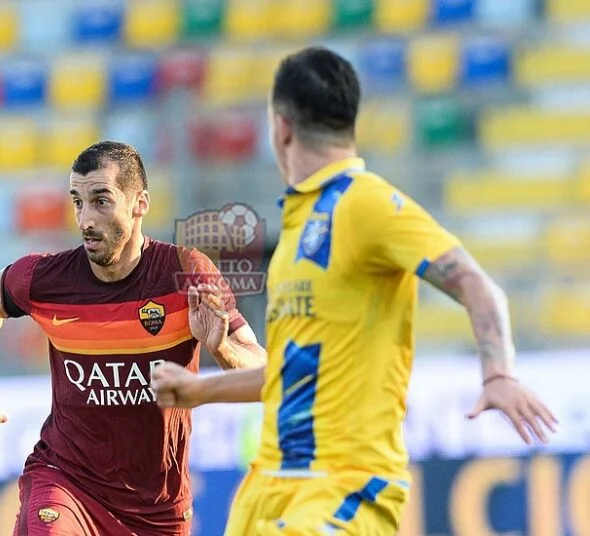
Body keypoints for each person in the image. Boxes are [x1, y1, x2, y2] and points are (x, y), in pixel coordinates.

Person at [151, 47, 558, 536]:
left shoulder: (368, 205)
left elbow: (477, 284)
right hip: (270, 487)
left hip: (344, 488)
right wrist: (200, 389)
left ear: (281, 126)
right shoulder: (298, 227)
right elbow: (295, 373)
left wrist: (499, 375)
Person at [0, 141, 266, 536]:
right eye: (77, 202)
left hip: (157, 508)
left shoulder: (186, 273)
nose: (85, 219)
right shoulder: (48, 278)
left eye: (101, 201)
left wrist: (221, 347)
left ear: (140, 204)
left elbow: (266, 372)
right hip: (66, 482)